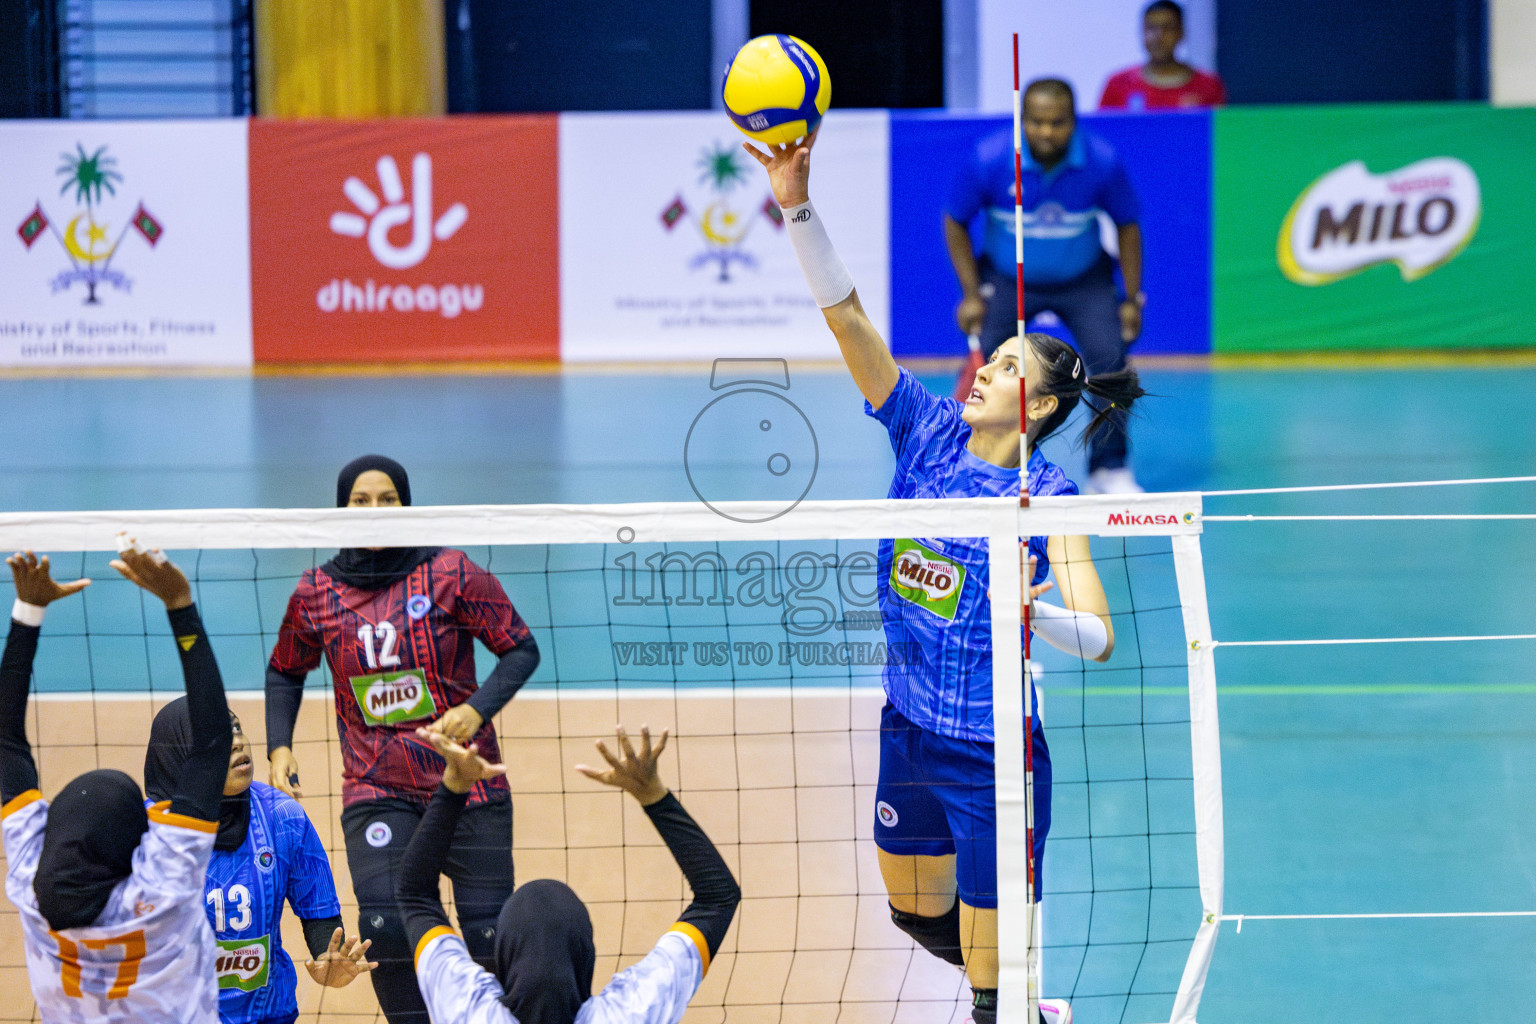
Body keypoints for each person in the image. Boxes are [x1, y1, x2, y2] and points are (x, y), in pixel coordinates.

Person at [746, 128, 1145, 1024]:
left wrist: (1032, 614)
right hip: (909, 729)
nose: (984, 369)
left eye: (1007, 369)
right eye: (990, 358)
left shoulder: (1049, 496)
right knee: (910, 912)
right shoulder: (923, 433)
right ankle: (1006, 990)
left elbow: (1101, 633)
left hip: (998, 755)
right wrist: (795, 202)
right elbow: (848, 320)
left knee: (992, 996)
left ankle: (1013, 1005)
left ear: (1036, 408)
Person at [264, 455, 541, 1024]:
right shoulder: (317, 591)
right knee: (385, 927)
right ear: (342, 511)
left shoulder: (451, 573)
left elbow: (520, 648)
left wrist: (474, 709)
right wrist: (279, 744)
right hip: (375, 787)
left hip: (468, 783)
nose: (373, 510)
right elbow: (285, 670)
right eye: (359, 501)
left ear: (407, 504)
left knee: (490, 937)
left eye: (386, 498)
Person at [1, 543, 231, 1022]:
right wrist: (179, 604)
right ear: (135, 844)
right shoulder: (162, 889)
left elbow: (209, 747)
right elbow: (213, 740)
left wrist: (27, 611)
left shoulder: (30, 882)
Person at [397, 724, 740, 1024]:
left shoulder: (468, 1011)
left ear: (503, 953)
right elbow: (718, 897)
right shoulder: (630, 1013)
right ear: (584, 955)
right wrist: (654, 797)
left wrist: (454, 785)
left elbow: (414, 894)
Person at [944, 78, 1146, 495]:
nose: (1047, 132)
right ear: (1023, 120)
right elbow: (955, 221)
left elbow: (1128, 226)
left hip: (1084, 281)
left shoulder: (1102, 161)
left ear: (1074, 121)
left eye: (1058, 123)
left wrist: (1131, 298)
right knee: (991, 372)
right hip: (1007, 279)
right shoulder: (991, 158)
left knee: (1112, 366)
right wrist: (969, 292)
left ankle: (1109, 468)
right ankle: (977, 466)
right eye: (1036, 122)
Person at [143, 699, 375, 1023]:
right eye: (220, 737)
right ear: (184, 760)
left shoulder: (281, 815)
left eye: (236, 728)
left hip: (268, 1014)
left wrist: (328, 956)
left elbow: (319, 912)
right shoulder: (147, 834)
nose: (237, 740)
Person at [1098, 1, 1226, 111]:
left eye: (1168, 28)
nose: (1159, 36)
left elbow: (1221, 135)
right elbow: (1098, 135)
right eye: (1151, 28)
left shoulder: (1208, 86)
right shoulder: (1118, 84)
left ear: (1181, 32)